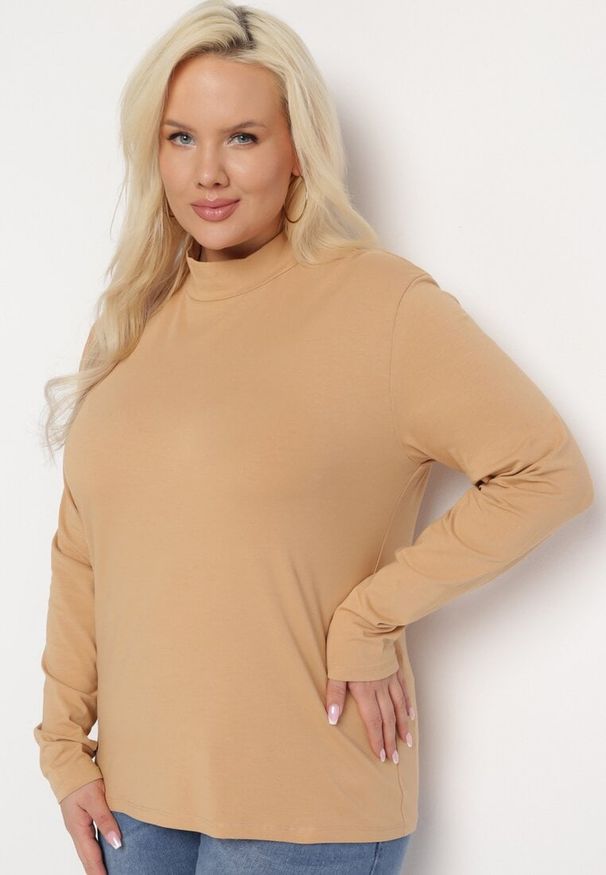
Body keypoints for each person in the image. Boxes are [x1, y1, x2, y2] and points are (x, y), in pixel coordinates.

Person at [32, 2, 594, 873]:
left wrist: (370, 615)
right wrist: (64, 748)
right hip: (134, 806)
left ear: (298, 148)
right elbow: (83, 549)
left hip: (303, 815)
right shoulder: (134, 321)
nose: (208, 172)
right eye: (181, 137)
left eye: (243, 137)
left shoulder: (382, 305)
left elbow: (547, 471)